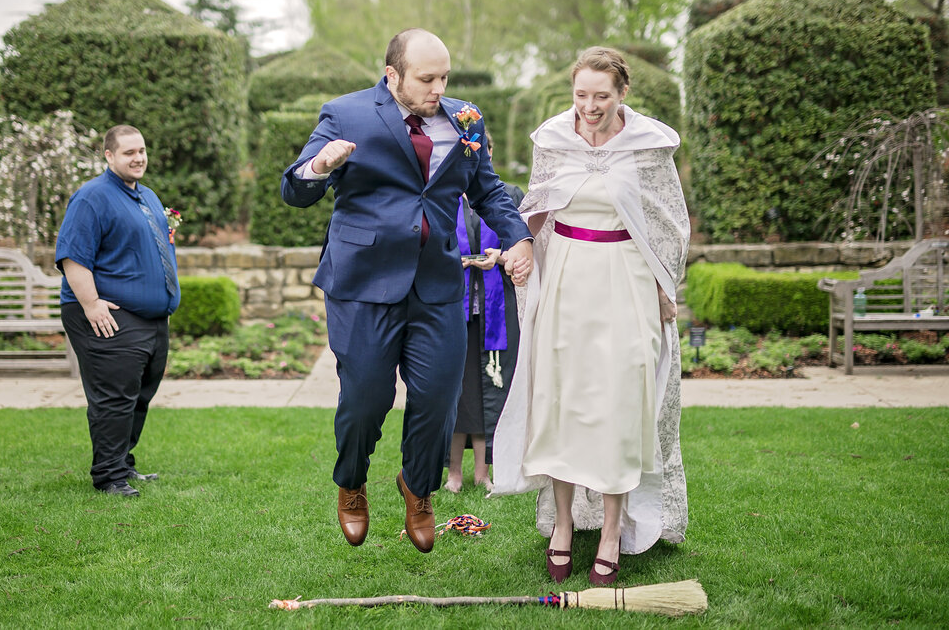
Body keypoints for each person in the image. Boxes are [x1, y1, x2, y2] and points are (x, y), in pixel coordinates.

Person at [281, 29, 533, 553]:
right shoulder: (345, 113)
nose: (438, 88)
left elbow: (485, 187)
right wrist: (321, 166)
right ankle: (351, 483)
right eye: (427, 78)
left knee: (439, 399)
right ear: (393, 74)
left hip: (438, 282)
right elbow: (294, 187)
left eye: (444, 77)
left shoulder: (465, 118)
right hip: (362, 283)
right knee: (366, 397)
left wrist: (520, 238)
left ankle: (419, 490)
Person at [490, 47, 690, 585]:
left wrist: (664, 283)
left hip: (625, 277)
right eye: (581, 95)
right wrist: (523, 244)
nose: (590, 106)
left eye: (601, 96)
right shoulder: (554, 140)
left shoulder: (649, 148)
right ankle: (560, 526)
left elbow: (668, 221)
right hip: (567, 279)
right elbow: (534, 207)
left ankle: (609, 533)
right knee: (560, 400)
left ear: (622, 93)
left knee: (619, 404)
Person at [56, 125, 180, 498]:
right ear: (108, 156)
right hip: (108, 313)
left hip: (150, 318)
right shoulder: (92, 198)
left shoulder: (147, 196)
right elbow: (72, 257)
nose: (138, 158)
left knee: (139, 394)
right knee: (114, 396)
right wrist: (91, 304)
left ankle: (123, 463)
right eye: (128, 152)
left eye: (141, 150)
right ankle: (109, 476)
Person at [446, 132, 524, 494]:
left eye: (483, 153)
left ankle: (483, 472)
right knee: (455, 391)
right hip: (451, 307)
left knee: (488, 391)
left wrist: (502, 256)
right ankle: (452, 474)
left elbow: (522, 244)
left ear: (489, 155)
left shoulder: (509, 197)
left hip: (495, 310)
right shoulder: (444, 198)